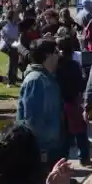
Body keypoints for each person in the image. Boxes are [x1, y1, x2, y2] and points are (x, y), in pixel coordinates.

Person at [16, 38, 65, 170]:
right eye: (56, 52)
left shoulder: (47, 77)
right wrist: (40, 150)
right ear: (48, 56)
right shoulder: (36, 81)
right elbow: (32, 120)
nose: (59, 55)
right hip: (42, 148)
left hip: (51, 145)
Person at [55, 36, 92, 167]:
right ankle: (84, 158)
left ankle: (62, 161)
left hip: (60, 102)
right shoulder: (74, 65)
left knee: (65, 135)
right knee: (80, 132)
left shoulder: (56, 66)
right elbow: (81, 84)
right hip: (73, 101)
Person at [0, 9, 20, 86]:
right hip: (6, 45)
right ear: (12, 15)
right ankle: (10, 80)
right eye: (16, 15)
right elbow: (4, 35)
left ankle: (13, 76)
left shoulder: (16, 24)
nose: (17, 16)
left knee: (15, 59)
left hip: (14, 45)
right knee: (13, 60)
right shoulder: (6, 24)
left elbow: (16, 35)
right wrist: (12, 41)